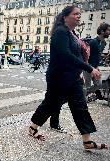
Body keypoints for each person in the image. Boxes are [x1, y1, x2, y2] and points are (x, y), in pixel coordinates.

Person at [28, 6, 108, 150]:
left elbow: (77, 55)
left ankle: (87, 141)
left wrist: (79, 73)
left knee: (80, 107)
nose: (79, 16)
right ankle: (33, 127)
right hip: (59, 77)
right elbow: (65, 55)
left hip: (73, 78)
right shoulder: (60, 32)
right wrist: (89, 68)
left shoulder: (73, 34)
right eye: (75, 14)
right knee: (51, 103)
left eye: (80, 14)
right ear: (65, 17)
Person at [83, 23, 110, 99]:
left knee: (98, 85)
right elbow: (85, 55)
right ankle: (82, 97)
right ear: (102, 31)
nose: (109, 32)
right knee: (87, 85)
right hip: (88, 67)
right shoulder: (93, 42)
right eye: (108, 30)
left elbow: (97, 54)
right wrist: (88, 66)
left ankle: (83, 93)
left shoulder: (104, 43)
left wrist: (105, 57)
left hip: (95, 67)